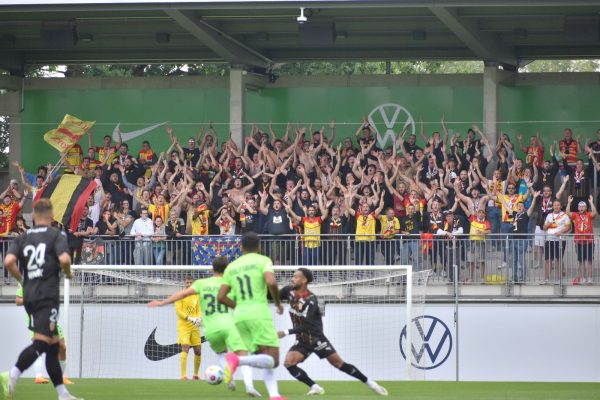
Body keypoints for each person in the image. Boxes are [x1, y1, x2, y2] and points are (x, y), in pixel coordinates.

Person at [1, 199, 82, 400]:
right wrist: (68, 272)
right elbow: (64, 259)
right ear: (51, 216)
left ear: (34, 216)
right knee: (42, 343)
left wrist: (21, 279)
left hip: (30, 295)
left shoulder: (23, 237)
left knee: (54, 346)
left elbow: (9, 261)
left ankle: (62, 394)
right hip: (47, 295)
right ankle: (11, 374)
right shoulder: (56, 235)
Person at [148, 257, 262, 397]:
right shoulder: (230, 283)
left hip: (210, 329)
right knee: (242, 354)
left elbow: (182, 293)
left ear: (212, 269)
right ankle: (249, 386)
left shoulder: (202, 283)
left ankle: (229, 378)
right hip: (227, 324)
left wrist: (162, 302)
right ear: (226, 270)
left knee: (222, 353)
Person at [278, 268, 388, 396]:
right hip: (302, 340)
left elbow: (307, 325)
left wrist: (285, 332)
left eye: (296, 277)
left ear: (304, 280)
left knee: (339, 364)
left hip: (316, 338)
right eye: (293, 276)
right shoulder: (288, 291)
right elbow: (271, 296)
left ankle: (371, 383)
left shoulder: (311, 300)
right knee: (289, 363)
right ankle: (315, 387)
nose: (292, 279)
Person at [217, 232, 285, 400]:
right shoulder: (263, 260)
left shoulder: (231, 267)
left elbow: (221, 297)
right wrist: (277, 303)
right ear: (259, 247)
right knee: (273, 359)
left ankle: (274, 395)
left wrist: (238, 306)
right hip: (259, 314)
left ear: (241, 247)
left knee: (259, 355)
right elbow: (271, 282)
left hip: (240, 317)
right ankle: (236, 361)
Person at [172, 277, 202, 381]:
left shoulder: (196, 295)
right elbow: (179, 311)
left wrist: (198, 318)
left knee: (198, 350)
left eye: (190, 282)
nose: (189, 284)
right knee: (185, 347)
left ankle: (195, 375)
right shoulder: (180, 295)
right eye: (187, 282)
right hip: (184, 326)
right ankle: (183, 375)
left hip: (194, 326)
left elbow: (198, 309)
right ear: (184, 284)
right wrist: (189, 318)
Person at [567, 195, 596, 284]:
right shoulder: (575, 215)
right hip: (579, 242)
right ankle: (583, 278)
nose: (582, 208)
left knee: (589, 261)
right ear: (578, 208)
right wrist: (569, 203)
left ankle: (590, 279)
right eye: (580, 206)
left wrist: (591, 202)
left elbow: (594, 213)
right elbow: (567, 213)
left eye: (583, 206)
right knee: (581, 261)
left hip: (589, 241)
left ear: (586, 208)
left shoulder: (589, 215)